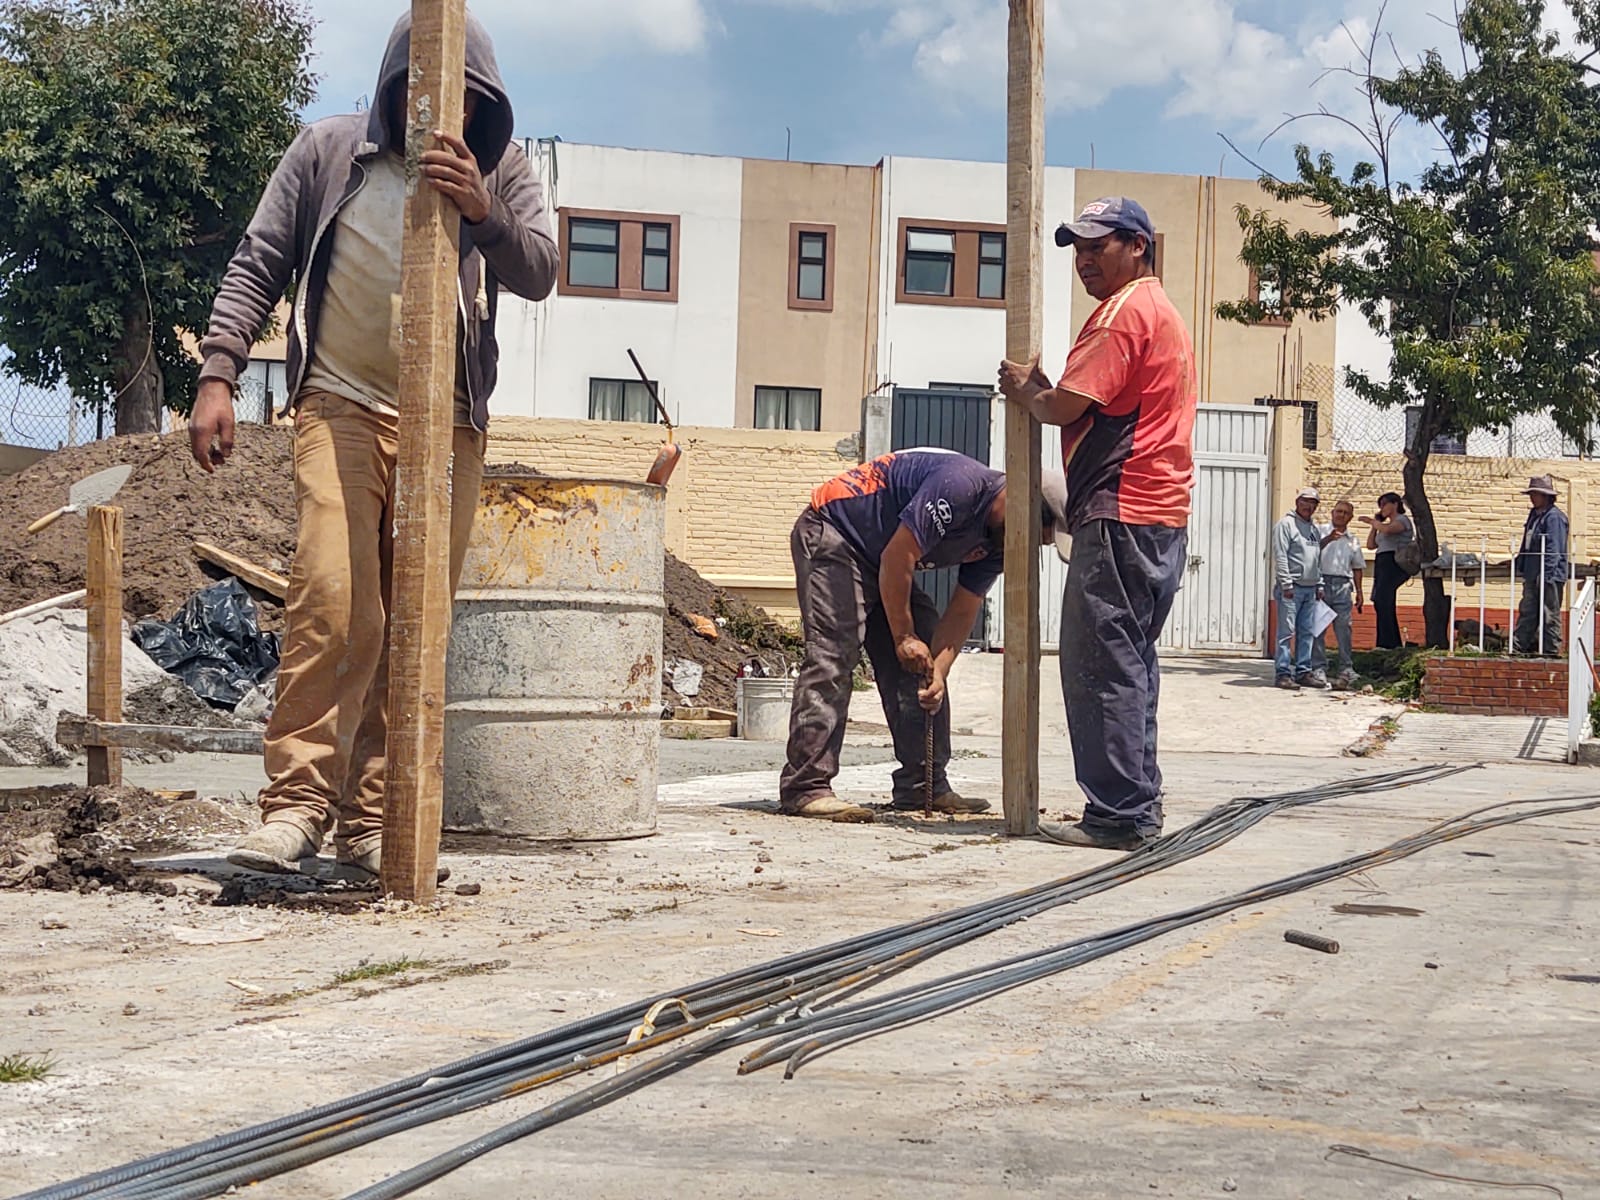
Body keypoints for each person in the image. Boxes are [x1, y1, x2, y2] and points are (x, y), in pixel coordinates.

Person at [189, 13, 559, 879]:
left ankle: (375, 820)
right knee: (333, 595)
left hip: (449, 420)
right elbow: (259, 260)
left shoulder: (501, 167)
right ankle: (296, 807)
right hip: (340, 405)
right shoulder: (326, 150)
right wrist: (218, 374)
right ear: (397, 83)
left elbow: (540, 268)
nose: (449, 109)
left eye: (472, 99)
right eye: (431, 89)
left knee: (415, 620)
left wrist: (484, 208)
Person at [997, 196, 1197, 851]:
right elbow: (1089, 405)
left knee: (1099, 668)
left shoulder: (1121, 314)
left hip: (1121, 512)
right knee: (1130, 667)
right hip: (1157, 516)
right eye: (1077, 249)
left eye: (1097, 246)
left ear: (1138, 244)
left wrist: (1025, 391)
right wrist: (1048, 394)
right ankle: (1136, 807)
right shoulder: (1157, 310)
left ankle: (1117, 817)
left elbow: (1060, 408)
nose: (1084, 260)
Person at [779, 451, 1067, 823]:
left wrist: (939, 672)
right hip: (836, 534)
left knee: (923, 662)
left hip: (884, 558)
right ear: (1020, 503)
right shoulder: (959, 486)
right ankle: (806, 788)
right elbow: (900, 555)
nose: (1032, 547)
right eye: (1039, 537)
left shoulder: (1001, 542)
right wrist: (902, 635)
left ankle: (923, 786)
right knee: (834, 654)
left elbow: (964, 608)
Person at [1272, 487, 1327, 690]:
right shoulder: (1286, 525)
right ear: (1297, 502)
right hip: (1292, 588)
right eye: (1305, 501)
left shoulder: (1313, 529)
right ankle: (1283, 673)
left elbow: (1316, 559)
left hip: (1310, 589)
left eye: (1313, 503)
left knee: (1306, 632)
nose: (1308, 506)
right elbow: (1280, 556)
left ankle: (1303, 671)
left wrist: (1319, 583)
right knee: (1286, 632)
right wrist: (1286, 583)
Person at [1312, 499, 1365, 689]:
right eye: (1338, 511)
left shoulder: (1352, 540)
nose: (1341, 515)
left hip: (1343, 585)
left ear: (1350, 517)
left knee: (1344, 628)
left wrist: (1359, 592)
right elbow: (1310, 553)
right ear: (1332, 513)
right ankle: (1318, 667)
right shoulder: (1319, 531)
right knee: (1318, 628)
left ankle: (1346, 668)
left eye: (1345, 513)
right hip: (1321, 583)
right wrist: (1328, 539)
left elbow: (1357, 567)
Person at [1513, 475, 1569, 655]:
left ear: (1546, 496)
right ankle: (1519, 647)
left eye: (1536, 494)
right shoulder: (1534, 515)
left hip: (1549, 576)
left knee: (1549, 614)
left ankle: (1550, 651)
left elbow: (1554, 548)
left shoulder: (1554, 518)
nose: (1532, 497)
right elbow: (1527, 543)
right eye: (1531, 494)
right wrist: (1518, 562)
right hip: (1531, 572)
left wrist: (1546, 575)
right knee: (1528, 611)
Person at [1361, 492, 1414, 650]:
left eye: (1384, 504)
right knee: (1379, 600)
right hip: (1382, 561)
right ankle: (1386, 641)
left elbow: (1390, 530)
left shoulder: (1401, 520)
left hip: (1394, 561)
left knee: (1384, 599)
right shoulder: (1382, 526)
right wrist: (1374, 525)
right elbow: (1371, 545)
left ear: (1395, 504)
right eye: (1380, 505)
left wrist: (1372, 521)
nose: (1382, 508)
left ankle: (1389, 642)